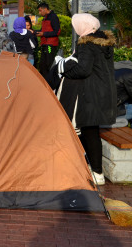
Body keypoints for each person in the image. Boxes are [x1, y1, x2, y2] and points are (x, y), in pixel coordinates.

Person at [54, 13, 117, 185]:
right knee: (91, 131)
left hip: (89, 94)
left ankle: (97, 172)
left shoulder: (86, 44)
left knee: (89, 132)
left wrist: (63, 68)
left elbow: (83, 69)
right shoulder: (104, 42)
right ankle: (94, 170)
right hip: (102, 92)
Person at [37, 3, 61, 79]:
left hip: (50, 45)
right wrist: (35, 32)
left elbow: (57, 32)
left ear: (45, 9)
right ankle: (45, 81)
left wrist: (44, 34)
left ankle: (50, 81)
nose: (39, 13)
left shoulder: (53, 17)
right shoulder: (45, 18)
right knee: (42, 64)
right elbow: (43, 30)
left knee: (49, 63)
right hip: (44, 44)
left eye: (40, 11)